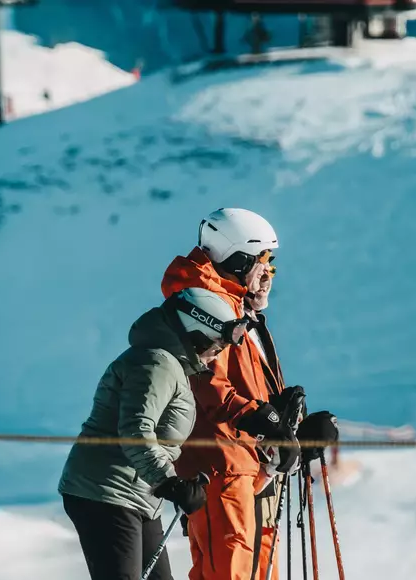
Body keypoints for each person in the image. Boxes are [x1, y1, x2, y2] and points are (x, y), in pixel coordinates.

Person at [58, 287, 252, 580]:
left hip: (137, 496)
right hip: (107, 492)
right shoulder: (157, 363)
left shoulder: (170, 365)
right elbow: (136, 429)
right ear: (197, 332)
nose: (218, 353)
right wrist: (168, 482)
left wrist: (173, 482)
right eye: (218, 343)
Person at [160, 209, 303, 580]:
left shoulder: (238, 309)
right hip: (221, 464)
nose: (269, 272)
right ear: (239, 260)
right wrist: (263, 418)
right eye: (264, 261)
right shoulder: (207, 311)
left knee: (255, 568)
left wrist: (287, 423)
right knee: (230, 572)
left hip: (247, 463)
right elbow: (210, 385)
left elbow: (247, 385)